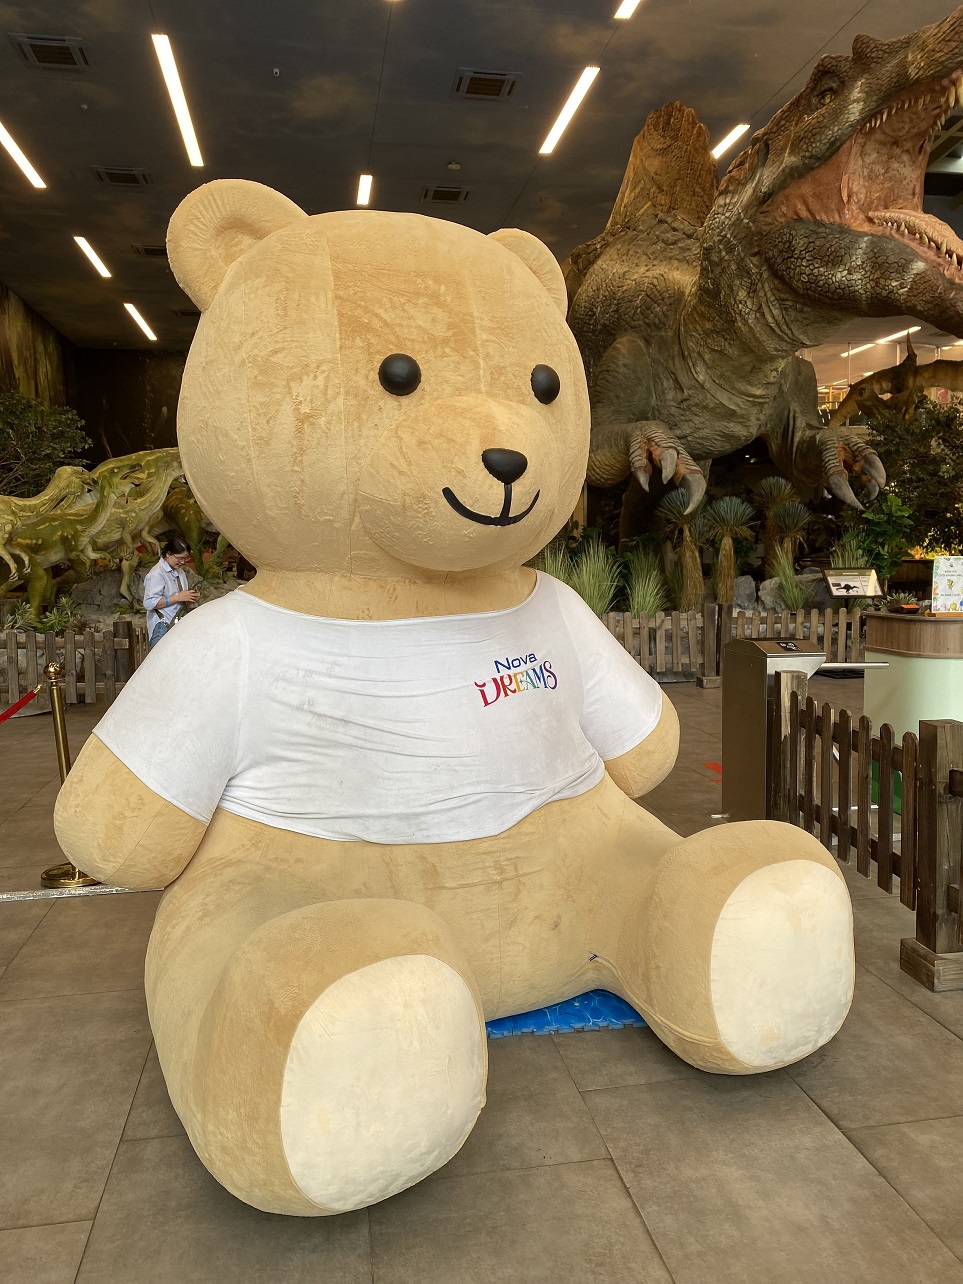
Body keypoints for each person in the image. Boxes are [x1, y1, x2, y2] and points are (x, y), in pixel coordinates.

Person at [143, 535, 200, 648]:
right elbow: (149, 603)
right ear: (168, 554)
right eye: (179, 558)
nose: (183, 562)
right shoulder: (157, 573)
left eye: (186, 558)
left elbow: (179, 600)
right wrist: (179, 597)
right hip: (162, 625)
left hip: (178, 624)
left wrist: (190, 597)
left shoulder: (180, 572)